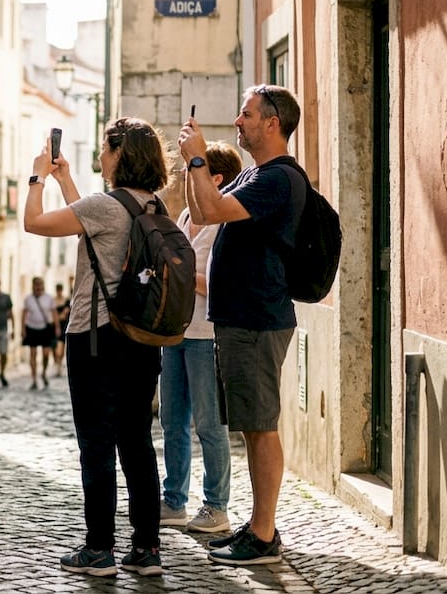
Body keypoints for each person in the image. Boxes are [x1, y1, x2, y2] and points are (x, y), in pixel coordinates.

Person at [23, 117, 171, 578]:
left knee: (96, 444)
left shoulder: (104, 206)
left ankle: (98, 549)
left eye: (106, 149)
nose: (101, 157)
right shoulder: (153, 205)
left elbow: (34, 223)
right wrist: (67, 180)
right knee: (137, 441)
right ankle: (146, 548)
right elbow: (92, 227)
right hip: (142, 338)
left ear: (120, 154)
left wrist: (37, 178)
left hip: (95, 339)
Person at [178, 85, 303, 566]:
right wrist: (195, 164)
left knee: (261, 426)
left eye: (246, 114)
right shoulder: (255, 174)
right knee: (252, 426)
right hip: (241, 318)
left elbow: (211, 208)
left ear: (272, 123)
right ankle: (256, 526)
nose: (237, 121)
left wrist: (196, 159)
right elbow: (201, 210)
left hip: (257, 317)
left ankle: (265, 535)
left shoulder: (277, 179)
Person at [159, 141, 243, 535]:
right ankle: (174, 499)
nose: (185, 175)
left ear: (216, 178)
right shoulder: (187, 214)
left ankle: (216, 506)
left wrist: (178, 276)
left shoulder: (226, 222)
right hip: (175, 331)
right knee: (172, 420)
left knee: (209, 424)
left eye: (195, 169)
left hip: (206, 334)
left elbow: (221, 284)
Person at [20, 276, 57, 389]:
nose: (38, 287)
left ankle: (44, 373)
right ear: (33, 286)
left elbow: (54, 313)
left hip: (45, 328)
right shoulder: (28, 299)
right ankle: (34, 379)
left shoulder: (49, 298)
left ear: (43, 285)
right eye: (36, 285)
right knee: (33, 353)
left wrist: (57, 328)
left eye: (40, 284)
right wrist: (23, 329)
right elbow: (24, 314)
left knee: (46, 353)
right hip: (31, 327)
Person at [53, 282, 71, 374]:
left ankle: (59, 365)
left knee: (61, 347)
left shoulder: (66, 300)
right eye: (57, 289)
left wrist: (57, 315)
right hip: (54, 326)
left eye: (60, 289)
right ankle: (57, 364)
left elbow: (65, 314)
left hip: (63, 325)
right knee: (55, 347)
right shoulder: (53, 300)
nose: (59, 291)